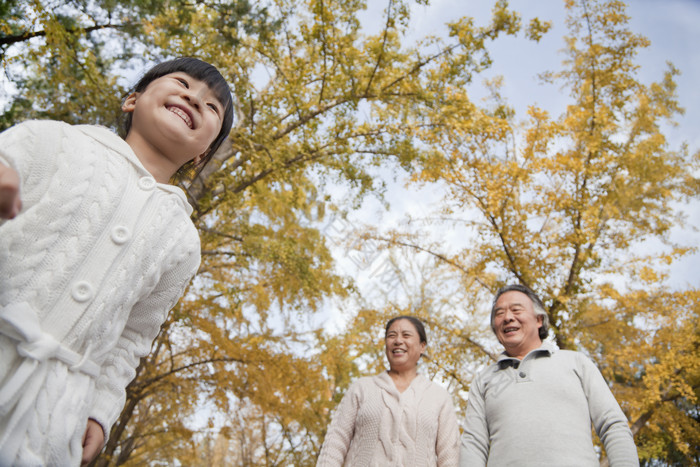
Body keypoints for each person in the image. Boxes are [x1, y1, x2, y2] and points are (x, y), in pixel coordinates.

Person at [0, 57, 234, 465]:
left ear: (203, 154)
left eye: (212, 106)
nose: (194, 98)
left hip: (53, 413)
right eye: (181, 82)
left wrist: (101, 410)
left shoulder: (182, 241)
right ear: (132, 99)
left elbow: (132, 337)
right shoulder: (53, 141)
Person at [460, 284, 639, 466]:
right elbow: (473, 445)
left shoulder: (576, 363)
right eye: (499, 313)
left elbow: (613, 425)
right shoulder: (483, 380)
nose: (507, 317)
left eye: (516, 310)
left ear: (539, 319)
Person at [317, 316, 460, 466]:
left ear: (422, 346)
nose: (398, 341)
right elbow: (335, 441)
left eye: (406, 335)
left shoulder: (439, 396)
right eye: (392, 335)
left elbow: (450, 455)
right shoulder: (362, 388)